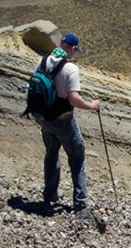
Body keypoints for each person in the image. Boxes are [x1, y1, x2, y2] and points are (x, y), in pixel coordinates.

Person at [24, 32, 101, 213]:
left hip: (45, 121)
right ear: (73, 49)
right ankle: (80, 203)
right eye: (76, 51)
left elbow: (34, 89)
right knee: (77, 157)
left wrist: (37, 115)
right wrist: (91, 105)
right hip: (64, 121)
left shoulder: (42, 61)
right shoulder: (70, 68)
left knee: (51, 155)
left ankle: (50, 194)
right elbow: (74, 98)